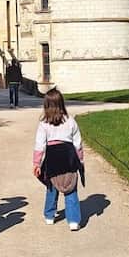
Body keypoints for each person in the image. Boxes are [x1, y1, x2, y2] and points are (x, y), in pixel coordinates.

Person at [32, 88, 85, 231]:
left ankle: (49, 215)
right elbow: (78, 143)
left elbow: (39, 145)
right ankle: (73, 220)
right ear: (62, 103)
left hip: (52, 158)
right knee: (70, 187)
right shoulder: (70, 121)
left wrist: (36, 163)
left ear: (46, 105)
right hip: (68, 157)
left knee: (52, 185)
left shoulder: (44, 123)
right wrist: (80, 160)